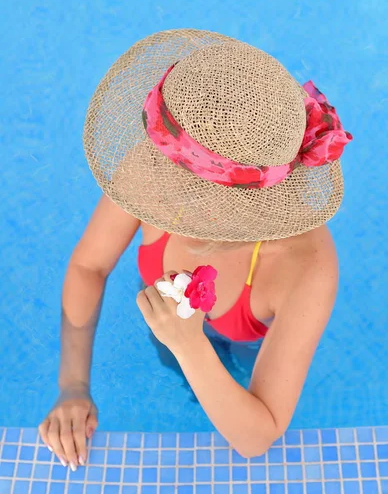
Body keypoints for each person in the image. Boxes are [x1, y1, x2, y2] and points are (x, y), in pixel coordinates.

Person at [39, 28, 352, 470]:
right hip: (176, 327)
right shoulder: (155, 165)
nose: (162, 202)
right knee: (171, 361)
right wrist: (72, 385)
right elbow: (89, 265)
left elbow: (258, 436)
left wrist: (191, 347)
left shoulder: (306, 267)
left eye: (188, 197)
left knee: (237, 369)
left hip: (242, 339)